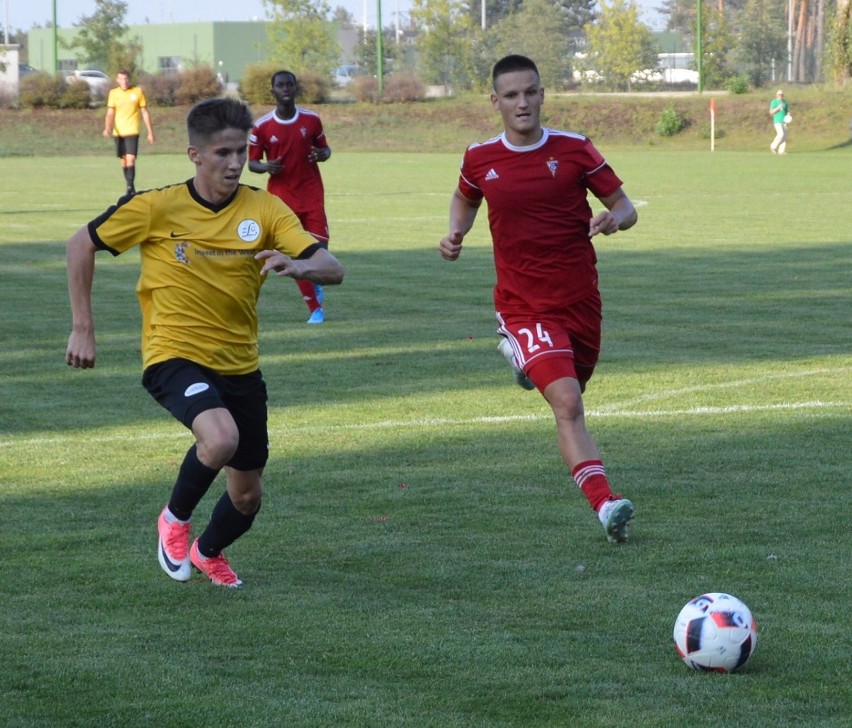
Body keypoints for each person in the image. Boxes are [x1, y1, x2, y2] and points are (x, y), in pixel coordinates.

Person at [67, 97, 345, 588]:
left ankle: (207, 552)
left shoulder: (264, 208)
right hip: (172, 353)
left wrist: (298, 264)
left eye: (241, 151)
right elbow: (80, 244)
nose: (235, 163)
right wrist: (83, 327)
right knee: (219, 439)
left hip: (239, 365)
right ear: (195, 154)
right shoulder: (155, 206)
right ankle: (173, 522)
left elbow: (332, 267)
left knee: (246, 497)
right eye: (222, 153)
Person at [438, 55, 639, 543]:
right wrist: (455, 232)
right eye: (511, 95)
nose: (522, 102)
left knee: (576, 390)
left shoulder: (575, 149)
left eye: (530, 92)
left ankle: (524, 360)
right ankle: (605, 505)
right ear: (495, 102)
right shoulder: (480, 157)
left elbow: (625, 206)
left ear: (543, 93)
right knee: (567, 403)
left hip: (580, 302)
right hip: (523, 304)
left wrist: (614, 220)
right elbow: (465, 197)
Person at [249, 70, 332, 324]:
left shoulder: (312, 120)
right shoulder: (262, 126)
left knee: (320, 250)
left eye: (289, 85)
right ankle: (315, 309)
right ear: (273, 91)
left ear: (296, 89)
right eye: (280, 86)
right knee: (297, 254)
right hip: (281, 199)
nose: (285, 89)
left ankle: (313, 281)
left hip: (311, 193)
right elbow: (252, 164)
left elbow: (326, 149)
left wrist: (322, 154)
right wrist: (266, 167)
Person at [103, 69, 155, 195]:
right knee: (123, 161)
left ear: (129, 79)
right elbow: (110, 113)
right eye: (121, 79)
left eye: (126, 79)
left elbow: (144, 112)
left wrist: (150, 131)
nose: (124, 81)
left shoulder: (137, 92)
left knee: (131, 159)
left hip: (132, 130)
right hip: (118, 132)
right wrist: (107, 128)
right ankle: (129, 185)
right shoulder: (113, 93)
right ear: (117, 80)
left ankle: (130, 188)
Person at [769, 89, 789, 155]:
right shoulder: (774, 102)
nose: (781, 96)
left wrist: (788, 114)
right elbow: (771, 112)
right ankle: (773, 146)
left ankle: (781, 151)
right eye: (779, 95)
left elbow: (786, 111)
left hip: (784, 121)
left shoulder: (785, 102)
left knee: (784, 137)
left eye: (782, 95)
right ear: (777, 95)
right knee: (781, 134)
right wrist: (778, 108)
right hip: (777, 121)